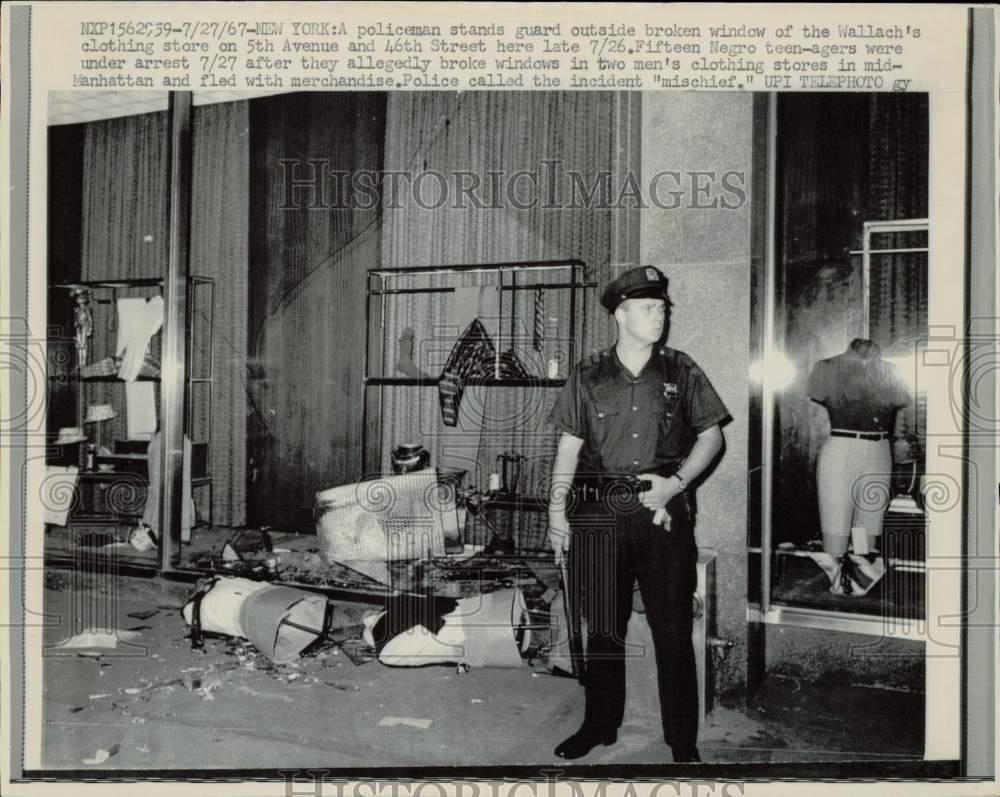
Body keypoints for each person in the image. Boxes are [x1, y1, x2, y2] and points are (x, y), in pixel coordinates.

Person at [546, 265, 731, 763]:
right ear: (620, 314)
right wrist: (556, 516)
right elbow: (568, 447)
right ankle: (599, 726)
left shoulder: (680, 369)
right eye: (648, 308)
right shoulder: (588, 374)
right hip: (599, 512)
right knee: (604, 627)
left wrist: (676, 483)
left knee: (671, 628)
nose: (660, 315)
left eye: (663, 308)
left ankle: (682, 742)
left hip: (660, 511)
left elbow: (712, 436)